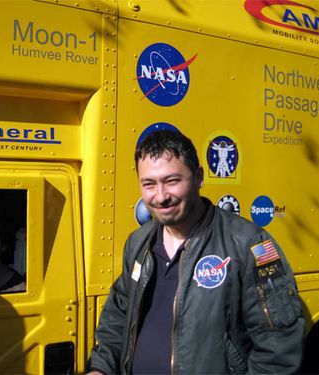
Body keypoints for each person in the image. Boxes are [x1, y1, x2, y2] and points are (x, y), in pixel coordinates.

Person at [87, 130, 304, 374]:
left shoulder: (250, 244)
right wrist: (101, 368)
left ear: (199, 177)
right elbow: (119, 315)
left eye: (172, 181)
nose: (160, 196)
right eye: (149, 184)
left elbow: (278, 347)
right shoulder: (138, 244)